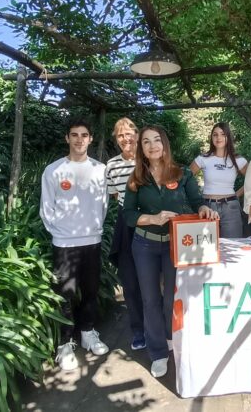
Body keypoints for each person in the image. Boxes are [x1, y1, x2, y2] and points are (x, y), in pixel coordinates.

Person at [122, 125, 219, 378]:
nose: (153, 145)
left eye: (157, 140)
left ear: (164, 144)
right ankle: (158, 352)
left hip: (176, 244)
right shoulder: (136, 179)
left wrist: (204, 210)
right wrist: (152, 219)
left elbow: (197, 202)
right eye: (146, 142)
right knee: (150, 299)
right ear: (141, 148)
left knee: (171, 298)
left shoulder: (182, 173)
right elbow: (128, 215)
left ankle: (169, 337)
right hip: (144, 244)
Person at [39, 117, 110, 372]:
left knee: (90, 290)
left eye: (84, 135)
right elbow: (46, 208)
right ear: (67, 138)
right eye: (74, 135)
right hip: (64, 243)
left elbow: (103, 205)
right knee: (65, 293)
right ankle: (65, 343)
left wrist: (94, 228)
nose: (79, 139)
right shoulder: (54, 171)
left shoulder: (100, 170)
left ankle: (88, 333)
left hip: (92, 240)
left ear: (90, 139)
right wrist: (62, 231)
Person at [105, 117, 146, 351]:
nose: (126, 138)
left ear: (137, 135)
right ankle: (138, 329)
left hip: (151, 222)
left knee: (154, 278)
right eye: (120, 135)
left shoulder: (149, 159)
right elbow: (114, 197)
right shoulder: (111, 165)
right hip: (126, 223)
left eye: (129, 133)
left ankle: (158, 326)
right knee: (129, 280)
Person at [189, 122, 248, 238]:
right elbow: (185, 179)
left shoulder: (238, 160)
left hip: (231, 207)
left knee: (233, 246)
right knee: (207, 248)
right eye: (215, 134)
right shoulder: (203, 158)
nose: (218, 137)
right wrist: (196, 196)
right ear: (211, 138)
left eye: (222, 134)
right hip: (207, 208)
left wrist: (237, 194)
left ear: (228, 137)